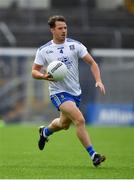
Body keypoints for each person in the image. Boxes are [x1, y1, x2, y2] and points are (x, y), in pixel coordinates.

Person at [32, 15, 106, 167]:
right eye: (60, 28)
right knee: (79, 119)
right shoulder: (44, 50)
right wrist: (43, 76)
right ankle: (94, 155)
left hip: (75, 93)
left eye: (65, 28)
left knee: (64, 124)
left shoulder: (75, 45)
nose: (64, 31)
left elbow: (92, 63)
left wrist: (98, 80)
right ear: (52, 30)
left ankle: (45, 132)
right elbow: (34, 71)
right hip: (58, 93)